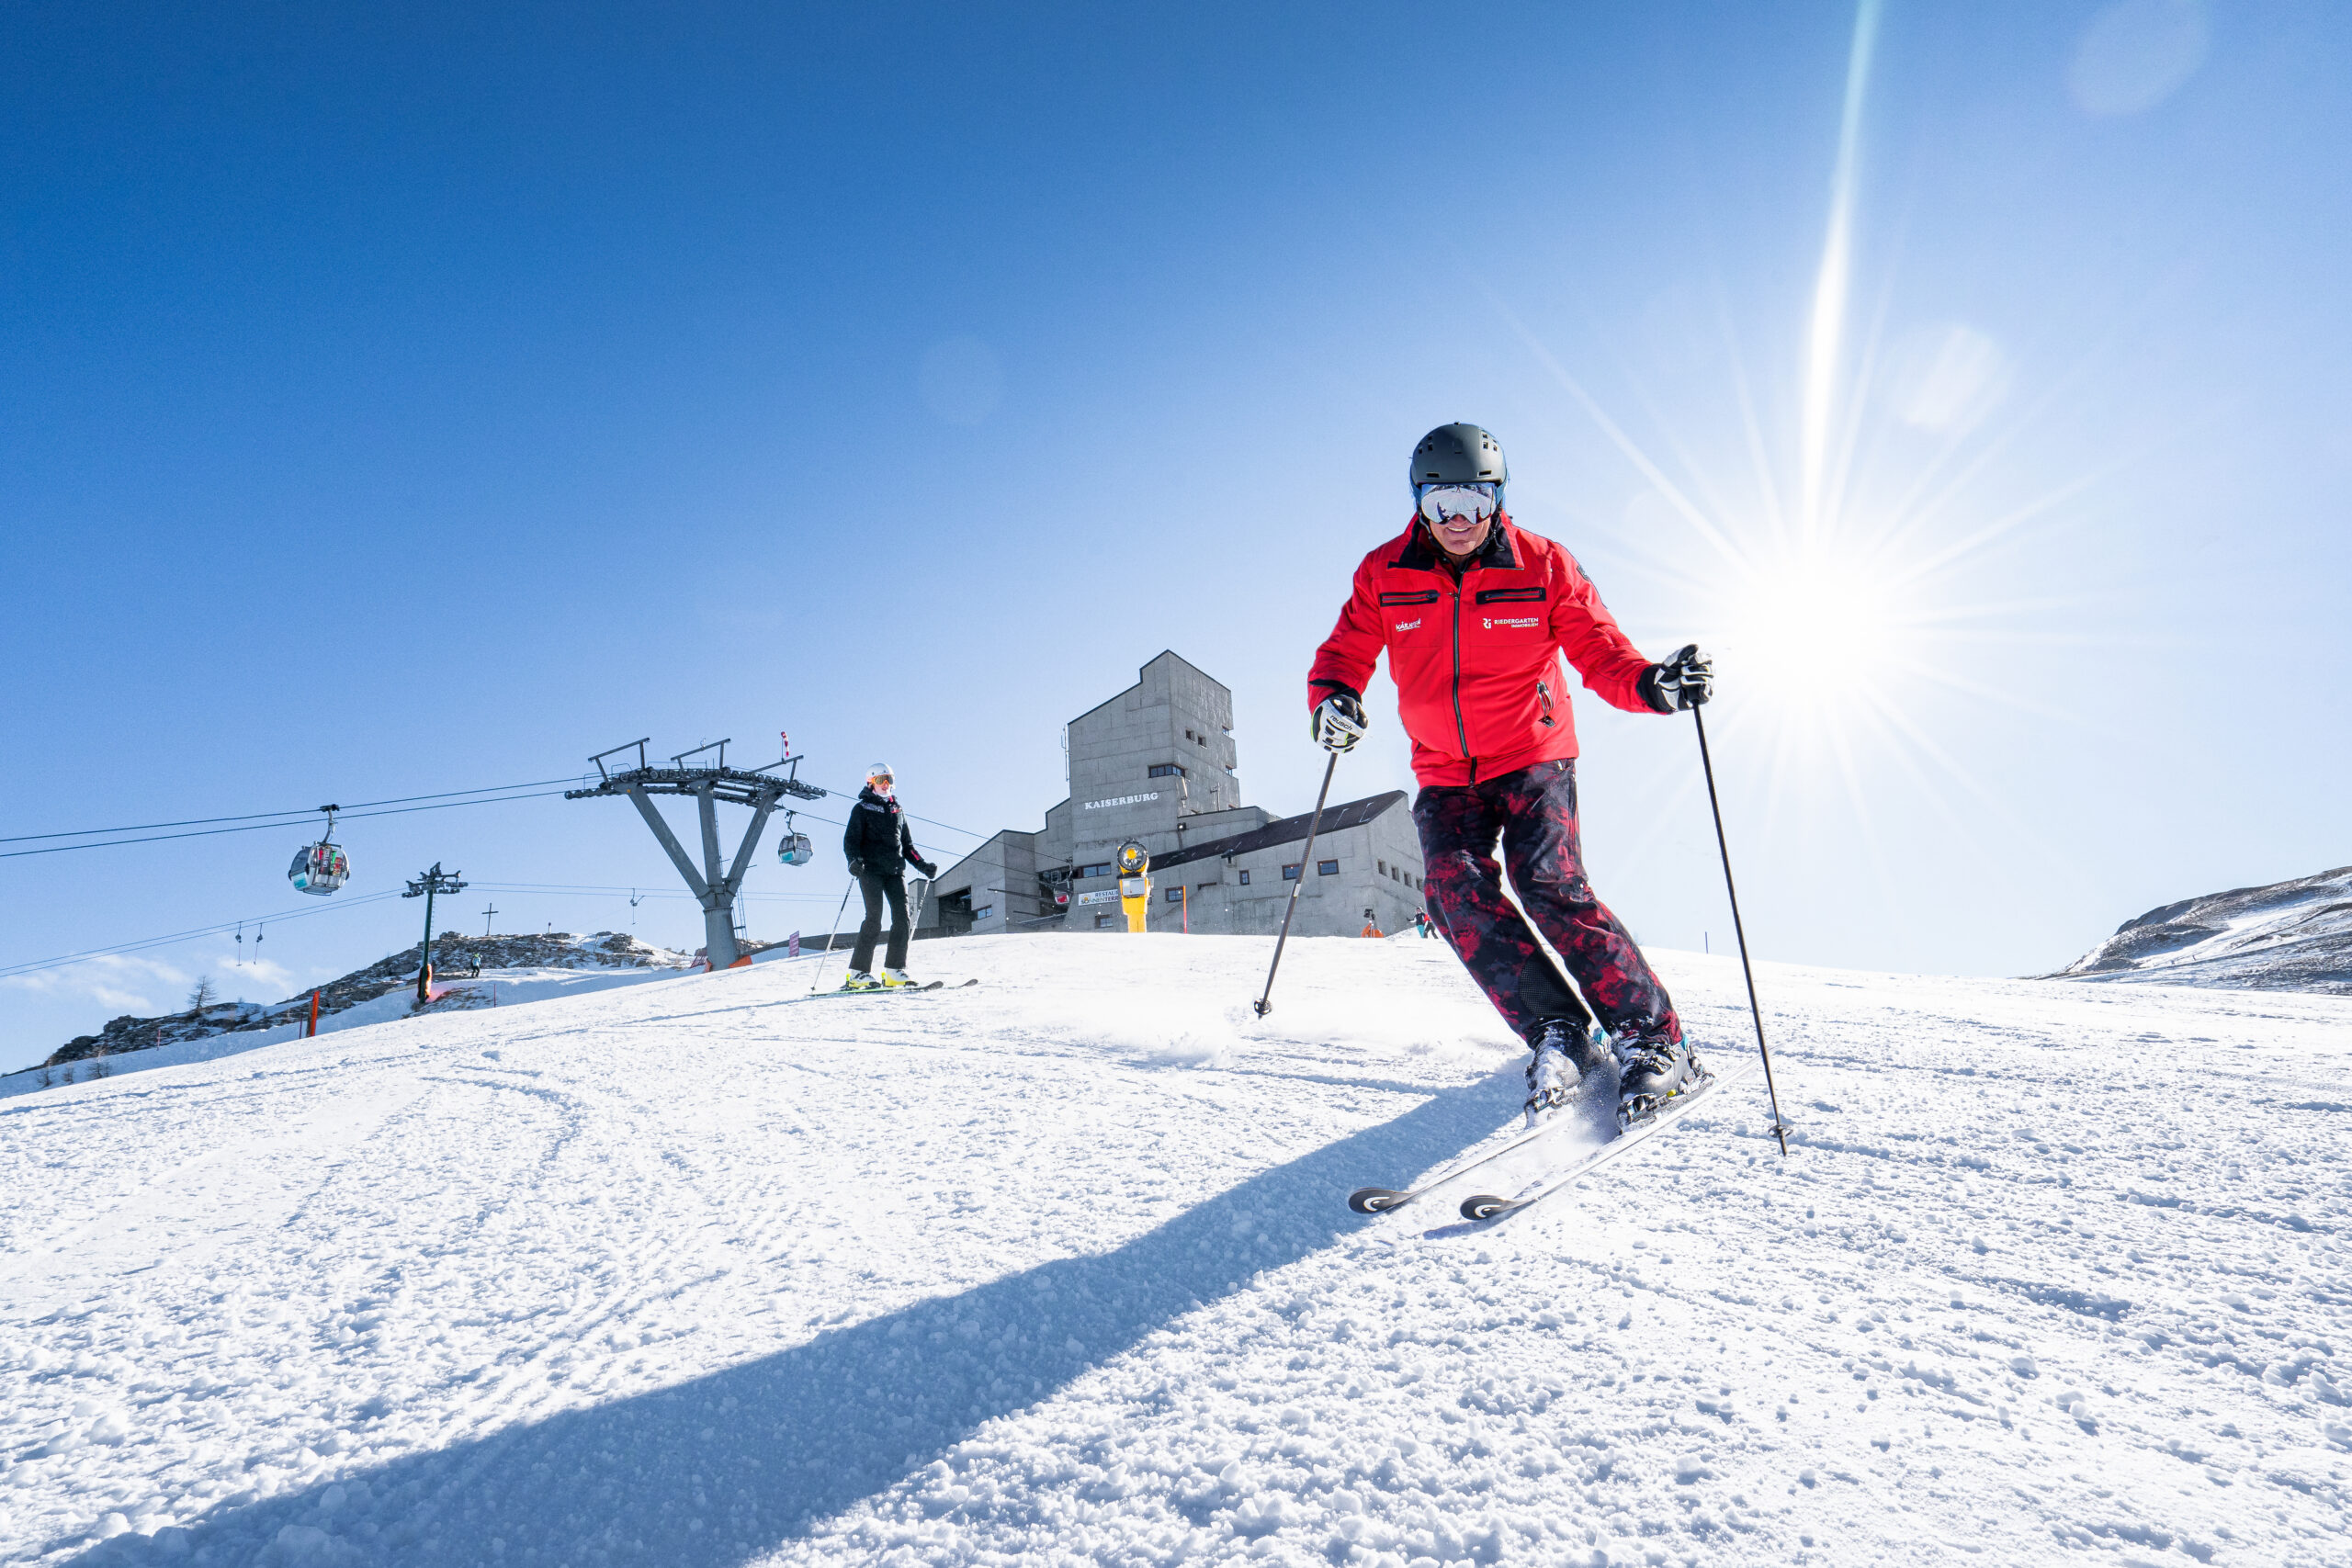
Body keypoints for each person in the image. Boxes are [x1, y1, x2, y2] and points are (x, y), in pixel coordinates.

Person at [1306, 423, 1715, 1130]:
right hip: (1445, 769)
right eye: (1441, 504)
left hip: (1533, 754)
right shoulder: (1384, 572)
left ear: (1498, 497)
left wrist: (1655, 684)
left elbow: (1602, 652)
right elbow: (1344, 652)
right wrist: (1332, 699)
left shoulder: (1544, 564)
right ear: (1418, 504)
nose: (1459, 521)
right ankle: (1562, 1030)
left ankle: (1655, 1038)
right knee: (1451, 890)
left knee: (1548, 881)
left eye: (1474, 500)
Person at [841, 763, 940, 990]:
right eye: (881, 780)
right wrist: (853, 861)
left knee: (902, 918)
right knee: (874, 918)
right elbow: (850, 841)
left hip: (895, 871)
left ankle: (894, 971)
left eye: (890, 780)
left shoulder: (898, 810)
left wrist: (923, 866)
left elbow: (908, 846)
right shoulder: (862, 808)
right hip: (870, 870)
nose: (886, 785)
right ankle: (858, 973)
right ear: (870, 783)